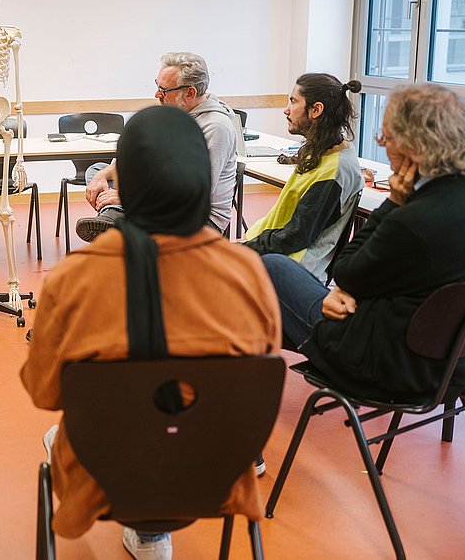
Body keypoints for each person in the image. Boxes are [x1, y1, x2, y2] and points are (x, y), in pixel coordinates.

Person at [22, 106, 279, 560]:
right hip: (214, 470)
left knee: (76, 421)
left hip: (105, 471)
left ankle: (146, 530)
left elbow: (44, 391)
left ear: (129, 184)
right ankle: (151, 534)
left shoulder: (74, 278)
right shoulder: (247, 273)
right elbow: (256, 378)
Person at [264, 83, 465, 397]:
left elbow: (346, 269)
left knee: (271, 268)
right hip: (455, 365)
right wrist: (351, 288)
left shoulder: (412, 220)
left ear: (412, 146)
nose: (383, 145)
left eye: (386, 138)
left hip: (382, 364)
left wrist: (394, 202)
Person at [77, 51, 237, 242]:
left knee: (114, 186)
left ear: (190, 93)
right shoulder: (173, 113)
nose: (157, 94)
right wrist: (104, 175)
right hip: (164, 195)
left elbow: (194, 193)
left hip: (197, 218)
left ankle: (115, 218)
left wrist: (132, 199)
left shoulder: (216, 127)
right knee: (97, 170)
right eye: (157, 86)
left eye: (165, 90)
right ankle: (115, 216)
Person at [242, 74, 364, 279]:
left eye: (293, 101)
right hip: (273, 253)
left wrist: (244, 250)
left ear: (316, 110)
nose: (286, 110)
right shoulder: (322, 151)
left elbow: (295, 237)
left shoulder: (336, 170)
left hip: (291, 267)